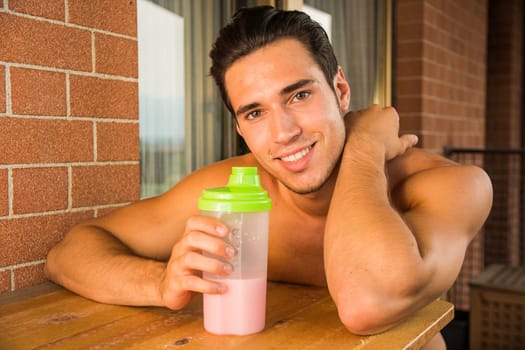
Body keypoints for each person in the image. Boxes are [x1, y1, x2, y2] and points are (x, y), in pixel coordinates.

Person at [45, 5, 492, 348]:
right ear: (240, 129)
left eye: (298, 95)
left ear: (340, 91)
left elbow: (366, 304)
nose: (283, 133)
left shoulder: (448, 186)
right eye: (255, 112)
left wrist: (364, 148)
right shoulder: (231, 193)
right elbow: (69, 254)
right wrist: (161, 283)